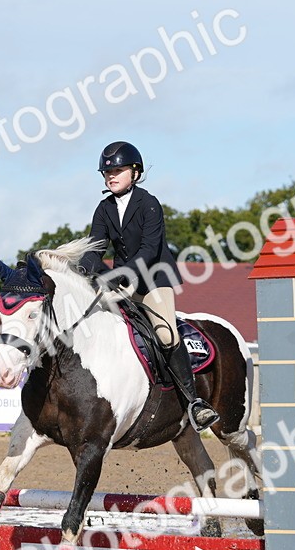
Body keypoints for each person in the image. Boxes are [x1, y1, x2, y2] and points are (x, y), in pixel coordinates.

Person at [77, 141, 219, 430]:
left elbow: (149, 250)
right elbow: (94, 248)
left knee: (165, 334)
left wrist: (117, 275)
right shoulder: (103, 209)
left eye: (117, 170)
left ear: (135, 172)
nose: (111, 176)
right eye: (106, 172)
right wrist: (91, 268)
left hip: (154, 280)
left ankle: (194, 402)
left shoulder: (149, 203)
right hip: (121, 284)